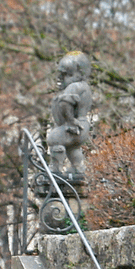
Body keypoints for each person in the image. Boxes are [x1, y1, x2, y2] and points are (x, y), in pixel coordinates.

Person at [45, 52, 92, 180]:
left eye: (67, 75)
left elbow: (65, 104)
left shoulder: (74, 87)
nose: (63, 79)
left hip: (75, 125)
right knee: (73, 148)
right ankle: (78, 168)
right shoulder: (85, 87)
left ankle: (55, 169)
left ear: (79, 74)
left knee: (54, 138)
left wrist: (70, 121)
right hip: (83, 125)